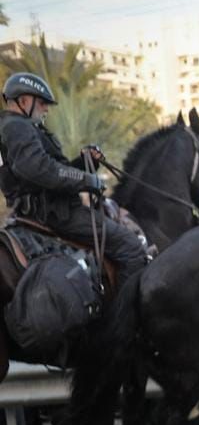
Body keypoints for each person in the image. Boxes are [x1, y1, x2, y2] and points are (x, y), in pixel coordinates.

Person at [0, 73, 147, 288]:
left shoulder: (17, 127)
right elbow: (39, 169)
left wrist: (84, 162)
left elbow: (51, 170)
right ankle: (123, 320)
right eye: (41, 103)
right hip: (54, 214)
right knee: (131, 248)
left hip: (44, 208)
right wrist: (86, 179)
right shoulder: (16, 126)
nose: (46, 109)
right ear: (23, 101)